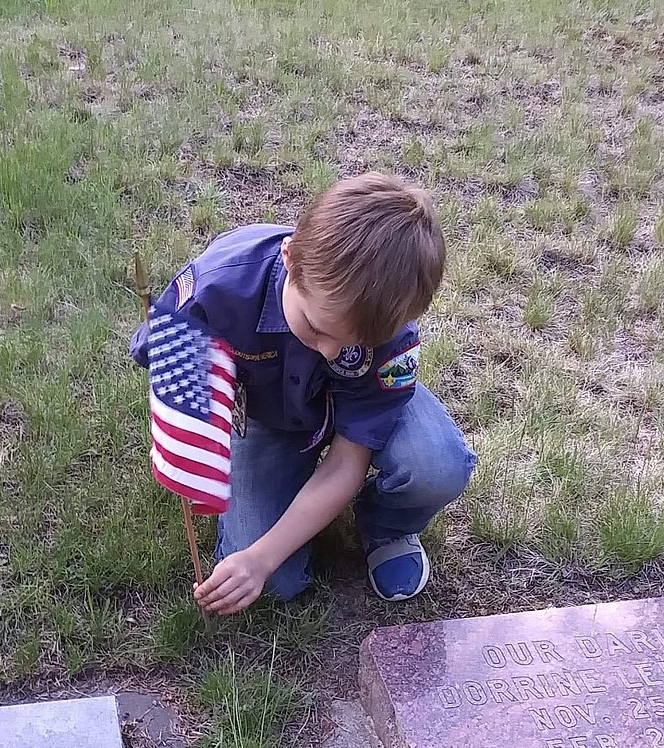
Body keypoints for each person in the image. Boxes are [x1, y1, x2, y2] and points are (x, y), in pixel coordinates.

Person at [130, 174, 475, 616]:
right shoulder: (217, 291)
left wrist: (263, 554)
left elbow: (348, 461)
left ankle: (387, 526)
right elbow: (171, 365)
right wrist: (260, 560)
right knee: (273, 582)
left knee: (436, 466)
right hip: (266, 416)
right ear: (290, 260)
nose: (332, 351)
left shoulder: (388, 326)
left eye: (354, 344)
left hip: (359, 401)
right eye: (318, 329)